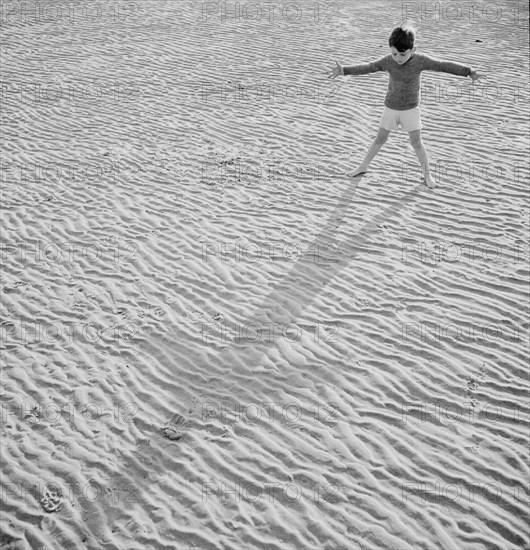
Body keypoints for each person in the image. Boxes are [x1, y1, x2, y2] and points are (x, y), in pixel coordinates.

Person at [328, 24, 482, 188]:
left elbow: (442, 65)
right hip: (391, 108)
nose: (398, 58)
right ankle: (363, 166)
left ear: (413, 50)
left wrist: (468, 71)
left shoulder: (420, 61)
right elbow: (368, 67)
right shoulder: (388, 61)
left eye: (403, 54)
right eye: (395, 53)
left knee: (416, 143)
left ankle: (427, 175)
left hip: (411, 110)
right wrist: (344, 70)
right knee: (380, 139)